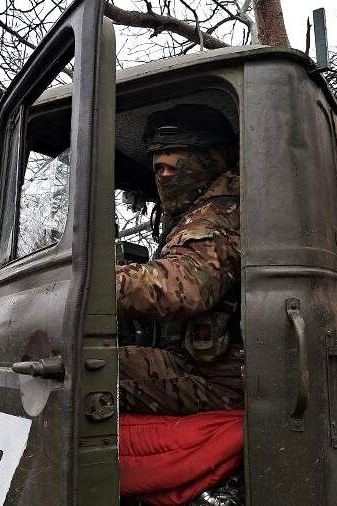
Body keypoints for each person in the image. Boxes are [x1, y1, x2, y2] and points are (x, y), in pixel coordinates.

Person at [116, 103, 244, 416]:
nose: (163, 177)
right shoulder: (197, 212)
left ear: (207, 163)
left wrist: (92, 282)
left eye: (173, 167)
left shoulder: (219, 215)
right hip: (199, 368)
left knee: (80, 369)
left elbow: (181, 287)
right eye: (157, 168)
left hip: (220, 383)